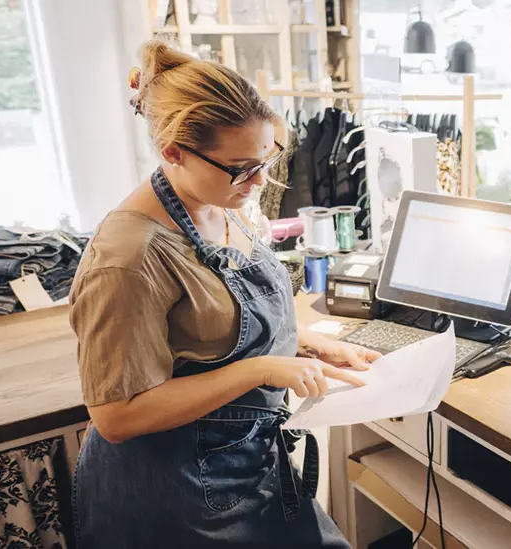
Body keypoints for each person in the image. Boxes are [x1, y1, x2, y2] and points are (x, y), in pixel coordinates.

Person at [69, 41, 379, 548]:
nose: (258, 182)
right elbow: (116, 415)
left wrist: (300, 343)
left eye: (267, 158)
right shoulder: (128, 258)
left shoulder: (218, 201)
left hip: (248, 466)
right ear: (172, 152)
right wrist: (260, 369)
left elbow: (207, 325)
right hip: (178, 498)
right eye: (241, 168)